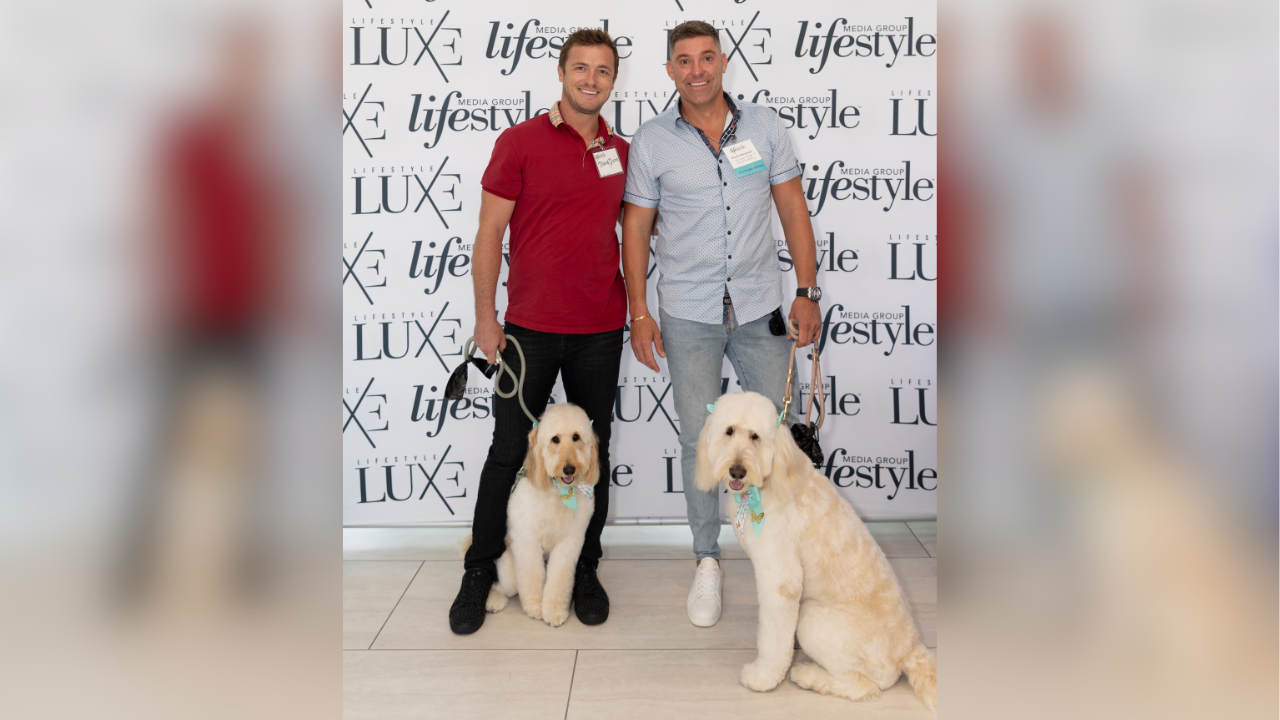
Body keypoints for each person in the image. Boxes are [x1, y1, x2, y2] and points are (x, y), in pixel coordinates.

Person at [620, 20, 821, 628]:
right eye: (684, 61)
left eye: (706, 57)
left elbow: (792, 207)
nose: (697, 70)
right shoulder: (652, 140)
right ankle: (707, 559)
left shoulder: (765, 127)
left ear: (724, 61)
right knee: (699, 441)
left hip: (761, 308)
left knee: (777, 435)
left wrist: (807, 291)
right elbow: (635, 227)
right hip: (688, 312)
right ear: (670, 70)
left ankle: (785, 556)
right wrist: (638, 311)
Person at [448, 29, 629, 634]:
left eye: (602, 71)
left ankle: (584, 568)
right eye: (581, 68)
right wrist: (485, 316)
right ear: (561, 72)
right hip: (528, 331)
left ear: (613, 80)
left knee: (592, 449)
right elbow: (488, 233)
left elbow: (641, 230)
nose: (591, 80)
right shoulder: (519, 141)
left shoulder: (623, 151)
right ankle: (479, 569)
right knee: (509, 452)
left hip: (601, 328)